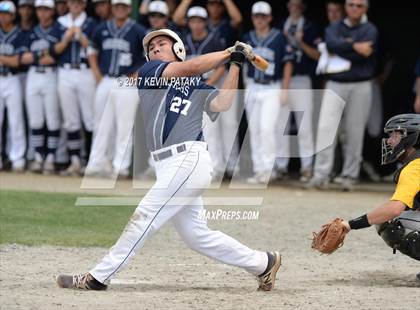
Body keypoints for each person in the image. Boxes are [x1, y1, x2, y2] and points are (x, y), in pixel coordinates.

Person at [56, 29, 281, 292]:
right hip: (169, 166)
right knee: (197, 236)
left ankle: (97, 277)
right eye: (152, 47)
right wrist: (230, 51)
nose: (155, 49)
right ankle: (263, 263)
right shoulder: (151, 72)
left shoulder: (196, 85)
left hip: (188, 159)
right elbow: (192, 67)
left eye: (162, 44)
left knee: (145, 216)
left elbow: (223, 103)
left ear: (178, 49)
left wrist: (235, 64)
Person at [327, 114, 420, 281]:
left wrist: (349, 225)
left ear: (411, 138)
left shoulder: (414, 167)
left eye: (395, 135)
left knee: (390, 221)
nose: (390, 141)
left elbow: (394, 208)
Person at [307, 0, 378, 191]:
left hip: (360, 85)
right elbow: (331, 44)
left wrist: (345, 46)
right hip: (335, 84)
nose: (355, 8)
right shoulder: (334, 27)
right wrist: (355, 46)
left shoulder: (370, 29)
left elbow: (364, 53)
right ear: (346, 7)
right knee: (325, 129)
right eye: (351, 4)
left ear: (365, 9)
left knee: (355, 133)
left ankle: (349, 176)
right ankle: (321, 175)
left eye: (359, 5)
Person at [85, 0, 146, 178]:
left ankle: (120, 166)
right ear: (113, 8)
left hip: (126, 80)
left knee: (124, 126)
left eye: (123, 6)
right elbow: (91, 49)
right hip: (106, 78)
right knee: (101, 124)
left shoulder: (138, 30)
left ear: (128, 9)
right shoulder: (102, 28)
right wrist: (96, 73)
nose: (120, 9)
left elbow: (149, 56)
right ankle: (96, 163)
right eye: (117, 6)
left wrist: (137, 75)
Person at [242, 1, 293, 184]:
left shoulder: (279, 37)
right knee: (254, 130)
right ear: (252, 18)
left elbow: (288, 62)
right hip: (253, 85)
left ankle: (269, 168)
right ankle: (259, 170)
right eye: (257, 16)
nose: (260, 20)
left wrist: (285, 89)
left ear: (269, 18)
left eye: (263, 16)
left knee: (266, 128)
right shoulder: (247, 37)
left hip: (272, 87)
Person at [275, 0, 321, 182]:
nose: (295, 7)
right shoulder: (280, 26)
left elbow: (318, 55)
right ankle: (280, 167)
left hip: (302, 78)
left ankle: (307, 167)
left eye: (298, 4)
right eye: (292, 3)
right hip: (282, 79)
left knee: (304, 126)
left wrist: (301, 42)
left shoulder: (310, 27)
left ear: (303, 6)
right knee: (280, 125)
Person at [20, 0, 64, 174]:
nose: (43, 13)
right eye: (40, 10)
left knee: (52, 119)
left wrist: (41, 55)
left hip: (51, 75)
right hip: (33, 75)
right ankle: (39, 157)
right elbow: (23, 58)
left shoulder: (58, 29)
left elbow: (58, 55)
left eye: (46, 10)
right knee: (35, 119)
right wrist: (45, 53)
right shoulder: (32, 31)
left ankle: (51, 158)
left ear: (52, 12)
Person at [55, 0, 96, 175]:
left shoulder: (91, 23)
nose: (75, 5)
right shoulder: (60, 22)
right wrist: (67, 38)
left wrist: (80, 36)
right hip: (65, 72)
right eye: (72, 2)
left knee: (89, 118)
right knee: (70, 119)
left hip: (85, 71)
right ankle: (74, 161)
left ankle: (89, 161)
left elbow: (95, 48)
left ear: (84, 4)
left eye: (79, 2)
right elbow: (55, 50)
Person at [0, 0, 27, 172]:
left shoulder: (20, 34)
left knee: (16, 120)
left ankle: (17, 157)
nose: (3, 17)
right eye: (1, 14)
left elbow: (17, 61)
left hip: (13, 78)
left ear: (13, 15)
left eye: (6, 14)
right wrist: (5, 58)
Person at [173, 0, 242, 49]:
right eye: (212, 3)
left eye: (219, 4)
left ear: (224, 7)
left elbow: (238, 19)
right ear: (207, 5)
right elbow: (177, 19)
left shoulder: (226, 24)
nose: (215, 8)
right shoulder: (200, 21)